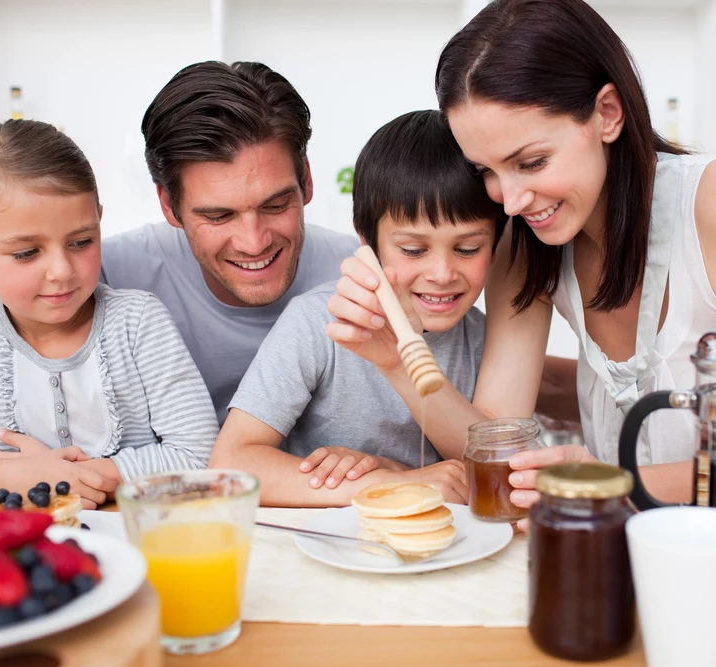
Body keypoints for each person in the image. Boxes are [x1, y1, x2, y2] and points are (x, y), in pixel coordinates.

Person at [327, 0, 716, 527]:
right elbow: (492, 434)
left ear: (607, 113)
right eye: (486, 170)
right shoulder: (527, 241)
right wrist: (396, 361)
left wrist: (613, 483)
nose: (508, 201)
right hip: (632, 532)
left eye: (531, 163)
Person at [0, 120, 220, 509]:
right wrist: (21, 477)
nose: (61, 271)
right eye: (26, 253)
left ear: (99, 221)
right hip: (13, 546)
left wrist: (65, 478)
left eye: (81, 242)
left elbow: (198, 456)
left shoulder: (139, 321)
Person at [209, 110, 505, 506]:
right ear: (367, 240)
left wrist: (397, 471)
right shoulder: (318, 321)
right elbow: (229, 465)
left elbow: (499, 476)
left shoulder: (487, 342)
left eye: (468, 249)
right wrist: (389, 485)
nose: (442, 272)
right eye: (413, 249)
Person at [101, 61, 359, 425]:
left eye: (275, 205)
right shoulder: (106, 275)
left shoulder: (361, 275)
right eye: (219, 216)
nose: (254, 243)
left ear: (307, 180)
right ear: (168, 205)